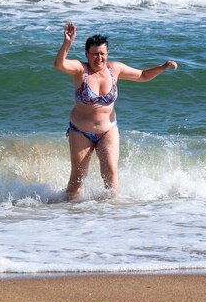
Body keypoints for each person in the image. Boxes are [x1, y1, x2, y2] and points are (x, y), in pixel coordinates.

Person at [54, 22, 178, 201]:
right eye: (95, 54)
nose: (99, 58)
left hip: (108, 129)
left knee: (110, 173)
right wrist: (67, 42)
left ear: (107, 54)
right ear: (87, 54)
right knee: (77, 179)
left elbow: (142, 75)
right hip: (80, 130)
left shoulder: (114, 69)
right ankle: (69, 217)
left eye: (102, 54)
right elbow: (60, 64)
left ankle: (113, 215)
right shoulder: (81, 71)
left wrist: (162, 67)